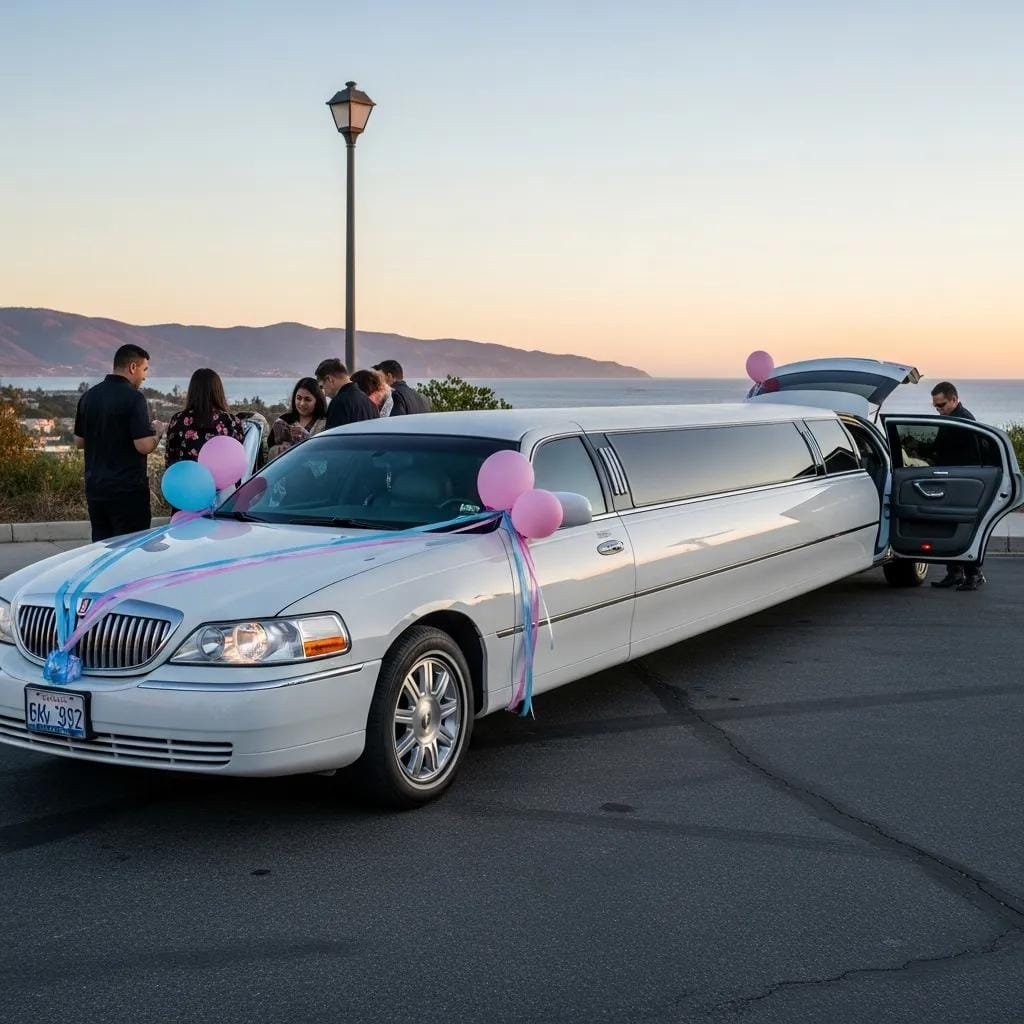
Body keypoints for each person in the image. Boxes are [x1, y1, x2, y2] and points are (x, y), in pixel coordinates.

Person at [74, 344, 165, 542]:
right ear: (132, 367)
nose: (145, 376)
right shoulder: (134, 398)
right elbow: (143, 446)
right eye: (144, 369)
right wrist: (158, 433)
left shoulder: (89, 396)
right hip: (127, 491)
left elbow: (79, 441)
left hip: (96, 489)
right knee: (130, 548)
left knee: (102, 547)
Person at [929, 381, 985, 591]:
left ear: (953, 399)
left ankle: (973, 574)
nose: (938, 410)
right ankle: (954, 573)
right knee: (949, 527)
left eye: (941, 405)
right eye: (935, 406)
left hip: (963, 483)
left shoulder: (964, 421)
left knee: (963, 528)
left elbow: (970, 456)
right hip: (951, 480)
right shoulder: (951, 419)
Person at [164, 368, 244, 468]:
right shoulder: (231, 421)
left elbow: (170, 459)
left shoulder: (178, 420)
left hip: (186, 476)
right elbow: (239, 459)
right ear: (218, 391)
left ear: (192, 391)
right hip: (223, 478)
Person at [269, 377, 328, 459]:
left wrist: (304, 437)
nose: (302, 403)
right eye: (299, 398)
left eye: (307, 399)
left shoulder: (326, 423)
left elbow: (328, 452)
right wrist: (278, 449)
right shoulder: (283, 421)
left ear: (317, 401)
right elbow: (268, 451)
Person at [315, 358, 378, 428]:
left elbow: (334, 434)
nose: (324, 393)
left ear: (329, 379)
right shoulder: (371, 405)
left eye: (322, 386)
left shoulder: (339, 403)